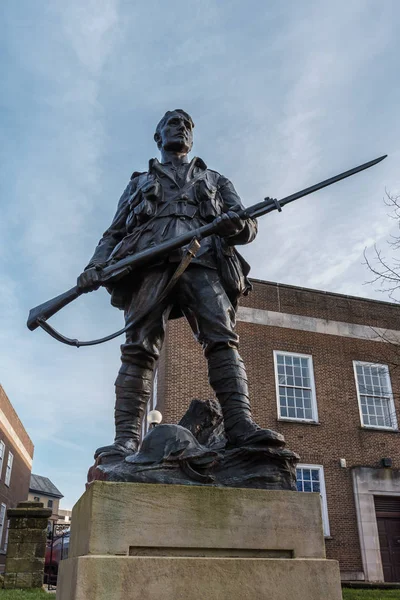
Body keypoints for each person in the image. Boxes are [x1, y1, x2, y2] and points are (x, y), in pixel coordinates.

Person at [77, 109, 284, 459]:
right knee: (138, 348)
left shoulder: (215, 179)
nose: (182, 129)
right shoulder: (138, 182)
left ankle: (239, 426)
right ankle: (126, 439)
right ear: (159, 137)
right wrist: (95, 265)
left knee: (222, 341)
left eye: (188, 125)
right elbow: (114, 232)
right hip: (150, 264)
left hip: (204, 263)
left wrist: (234, 225)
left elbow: (248, 227)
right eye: (174, 124)